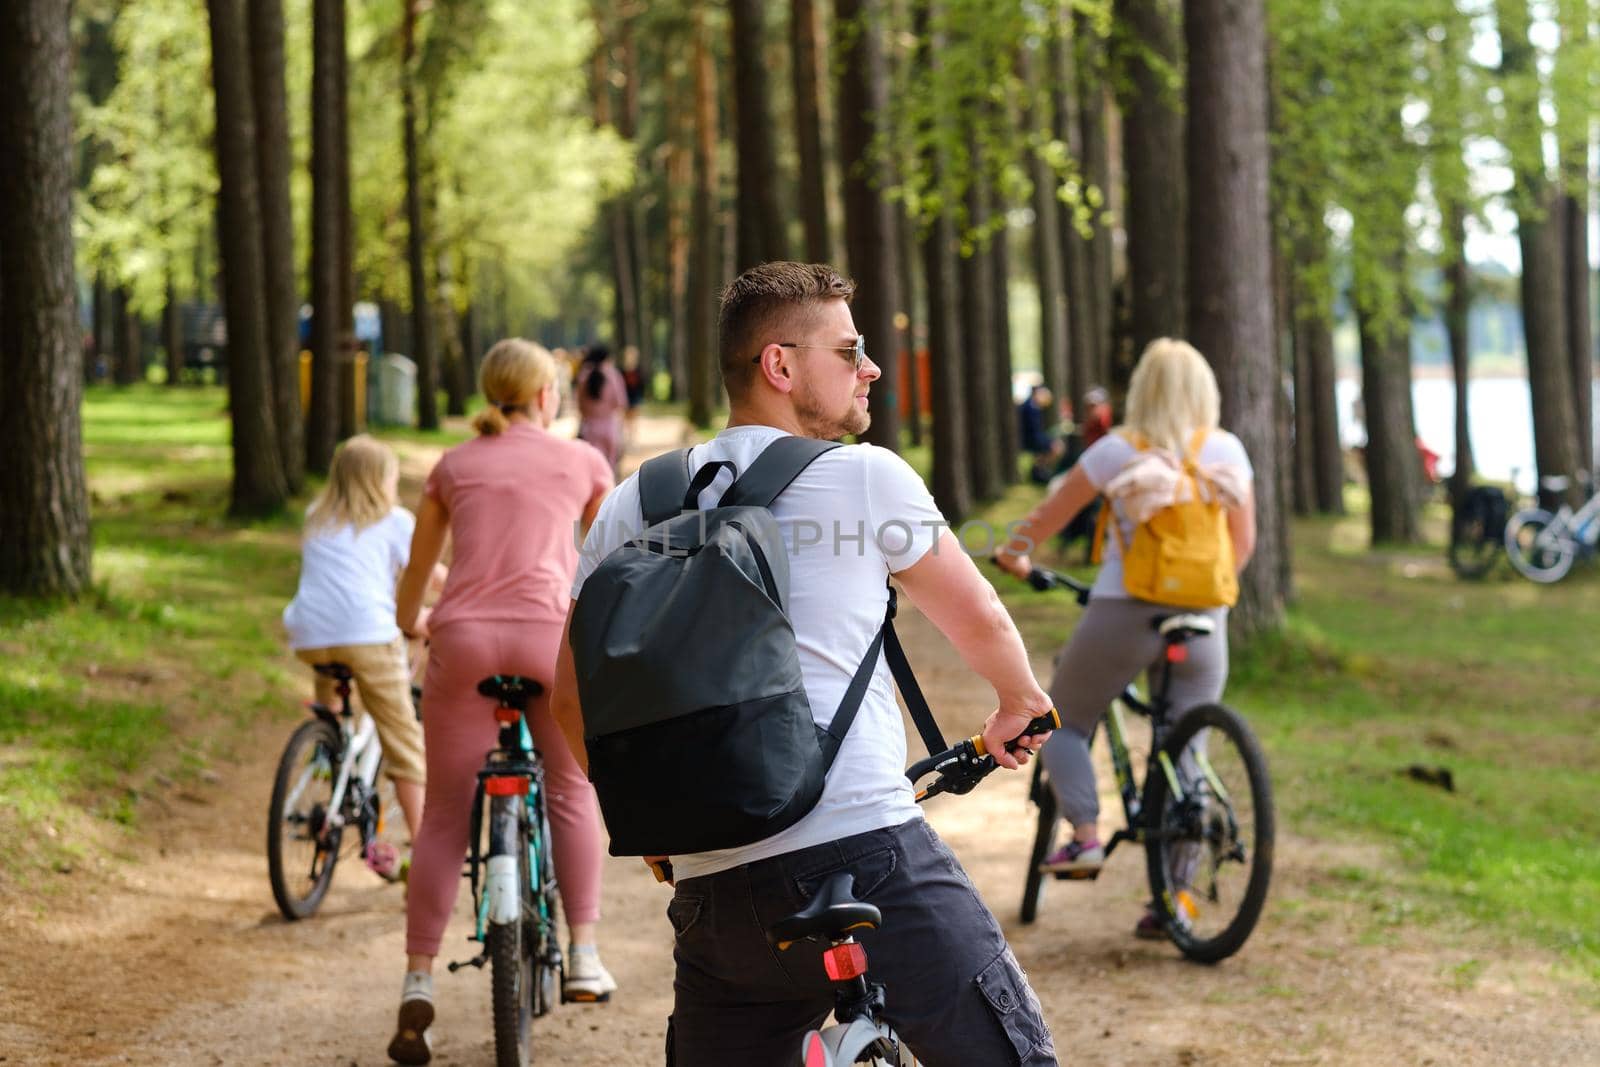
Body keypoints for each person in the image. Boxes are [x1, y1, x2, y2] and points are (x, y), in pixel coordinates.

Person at [552, 262, 1058, 1065]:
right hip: (868, 859)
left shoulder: (633, 504)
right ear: (780, 366)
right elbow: (981, 614)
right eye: (850, 350)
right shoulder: (865, 477)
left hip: (712, 894)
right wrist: (1018, 702)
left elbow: (570, 698)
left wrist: (658, 825)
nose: (873, 368)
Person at [387, 339, 616, 1065]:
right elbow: (611, 562)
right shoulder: (584, 461)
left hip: (465, 644)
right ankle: (583, 952)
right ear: (547, 395)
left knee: (446, 814)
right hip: (552, 641)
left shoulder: (452, 466)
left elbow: (418, 575)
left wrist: (410, 624)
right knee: (572, 790)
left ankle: (418, 976)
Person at [995, 338, 1256, 939]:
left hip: (1125, 610)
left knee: (1064, 719)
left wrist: (1013, 553)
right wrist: (1199, 596)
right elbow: (1242, 547)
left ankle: (1084, 837)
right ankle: (1178, 901)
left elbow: (1047, 519)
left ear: (1143, 391)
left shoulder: (1118, 451)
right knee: (1188, 745)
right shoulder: (1226, 451)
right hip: (1205, 617)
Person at [282, 434, 427, 871]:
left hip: (308, 634)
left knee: (332, 669)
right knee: (404, 741)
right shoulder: (395, 521)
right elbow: (428, 573)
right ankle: (421, 856)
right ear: (380, 481)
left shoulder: (315, 515)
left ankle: (325, 750)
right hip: (366, 636)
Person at [576, 344, 629, 474]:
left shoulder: (583, 376)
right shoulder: (613, 375)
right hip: (609, 427)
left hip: (589, 428)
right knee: (610, 470)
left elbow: (580, 405)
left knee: (591, 470)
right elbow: (621, 403)